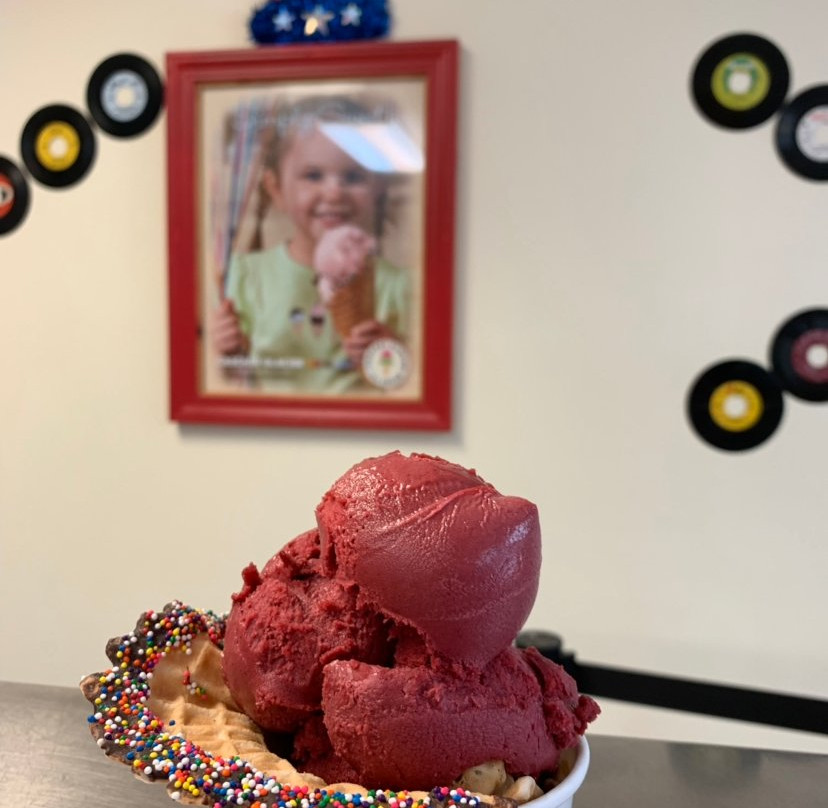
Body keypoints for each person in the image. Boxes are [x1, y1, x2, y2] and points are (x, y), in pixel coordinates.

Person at [210, 94, 412, 395]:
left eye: (353, 176)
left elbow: (409, 388)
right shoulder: (244, 276)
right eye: (313, 175)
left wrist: (391, 354)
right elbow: (224, 381)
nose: (334, 192)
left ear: (379, 187)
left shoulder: (398, 288)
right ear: (276, 189)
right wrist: (223, 351)